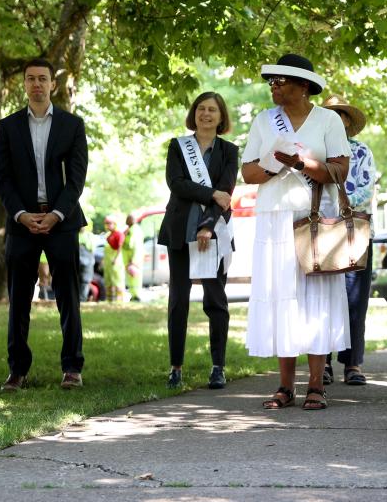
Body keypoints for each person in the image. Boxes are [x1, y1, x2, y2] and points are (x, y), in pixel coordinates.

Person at [241, 54, 350, 411]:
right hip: (275, 218)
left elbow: (340, 170)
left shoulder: (328, 120)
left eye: (280, 81)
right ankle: (285, 385)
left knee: (316, 299)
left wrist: (301, 162)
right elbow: (248, 173)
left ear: (303, 85)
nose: (273, 87)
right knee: (281, 298)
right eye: (271, 82)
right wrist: (274, 164)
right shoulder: (263, 120)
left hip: (315, 218)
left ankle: (316, 385)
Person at [0, 58, 89, 391]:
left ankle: (72, 367)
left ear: (53, 85)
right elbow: (2, 179)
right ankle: (17, 370)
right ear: (24, 84)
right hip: (22, 221)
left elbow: (76, 179)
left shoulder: (72, 125)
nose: (37, 84)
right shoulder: (8, 127)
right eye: (30, 79)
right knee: (18, 298)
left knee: (68, 296)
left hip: (61, 221)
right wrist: (21, 214)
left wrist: (56, 214)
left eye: (43, 79)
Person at [159, 91, 238, 390]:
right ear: (194, 113)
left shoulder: (229, 151)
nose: (206, 114)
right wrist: (210, 194)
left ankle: (218, 367)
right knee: (178, 301)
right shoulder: (178, 147)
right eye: (201, 109)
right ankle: (175, 367)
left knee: (215, 301)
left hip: (213, 233)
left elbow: (226, 191)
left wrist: (207, 226)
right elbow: (176, 184)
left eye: (212, 110)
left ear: (221, 117)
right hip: (180, 232)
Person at [322, 95, 375, 386]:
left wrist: (340, 207)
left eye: (340, 115)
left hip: (355, 231)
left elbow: (366, 189)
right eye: (329, 115)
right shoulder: (315, 152)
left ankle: (353, 363)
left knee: (355, 299)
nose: (336, 120)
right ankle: (324, 361)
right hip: (321, 232)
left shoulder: (362, 151)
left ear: (347, 121)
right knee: (324, 297)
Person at [102, 214, 126, 302]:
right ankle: (110, 300)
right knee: (109, 280)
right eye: (106, 224)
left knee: (117, 280)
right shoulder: (108, 235)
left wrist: (115, 259)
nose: (107, 225)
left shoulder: (119, 234)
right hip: (108, 262)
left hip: (115, 261)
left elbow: (119, 248)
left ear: (114, 223)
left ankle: (119, 300)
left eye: (109, 223)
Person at [122, 213, 145, 301]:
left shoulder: (133, 230)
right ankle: (134, 295)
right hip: (133, 258)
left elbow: (133, 245)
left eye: (128, 219)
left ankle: (136, 295)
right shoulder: (133, 229)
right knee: (133, 277)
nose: (126, 221)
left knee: (134, 277)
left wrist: (133, 260)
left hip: (133, 259)